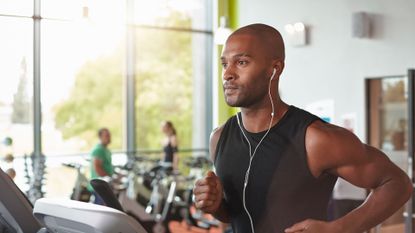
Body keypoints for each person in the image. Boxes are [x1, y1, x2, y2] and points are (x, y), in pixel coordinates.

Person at [193, 23, 412, 233]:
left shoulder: (315, 139)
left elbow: (398, 184)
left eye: (241, 62)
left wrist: (338, 228)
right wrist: (214, 205)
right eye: (225, 64)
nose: (227, 74)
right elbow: (237, 215)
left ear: (274, 69)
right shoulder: (220, 138)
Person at [90, 127, 114, 205]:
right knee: (100, 210)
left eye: (109, 135)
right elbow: (97, 168)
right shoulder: (98, 150)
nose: (109, 138)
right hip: (100, 186)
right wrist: (109, 178)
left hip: (105, 184)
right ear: (100, 137)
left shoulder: (106, 150)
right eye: (106, 136)